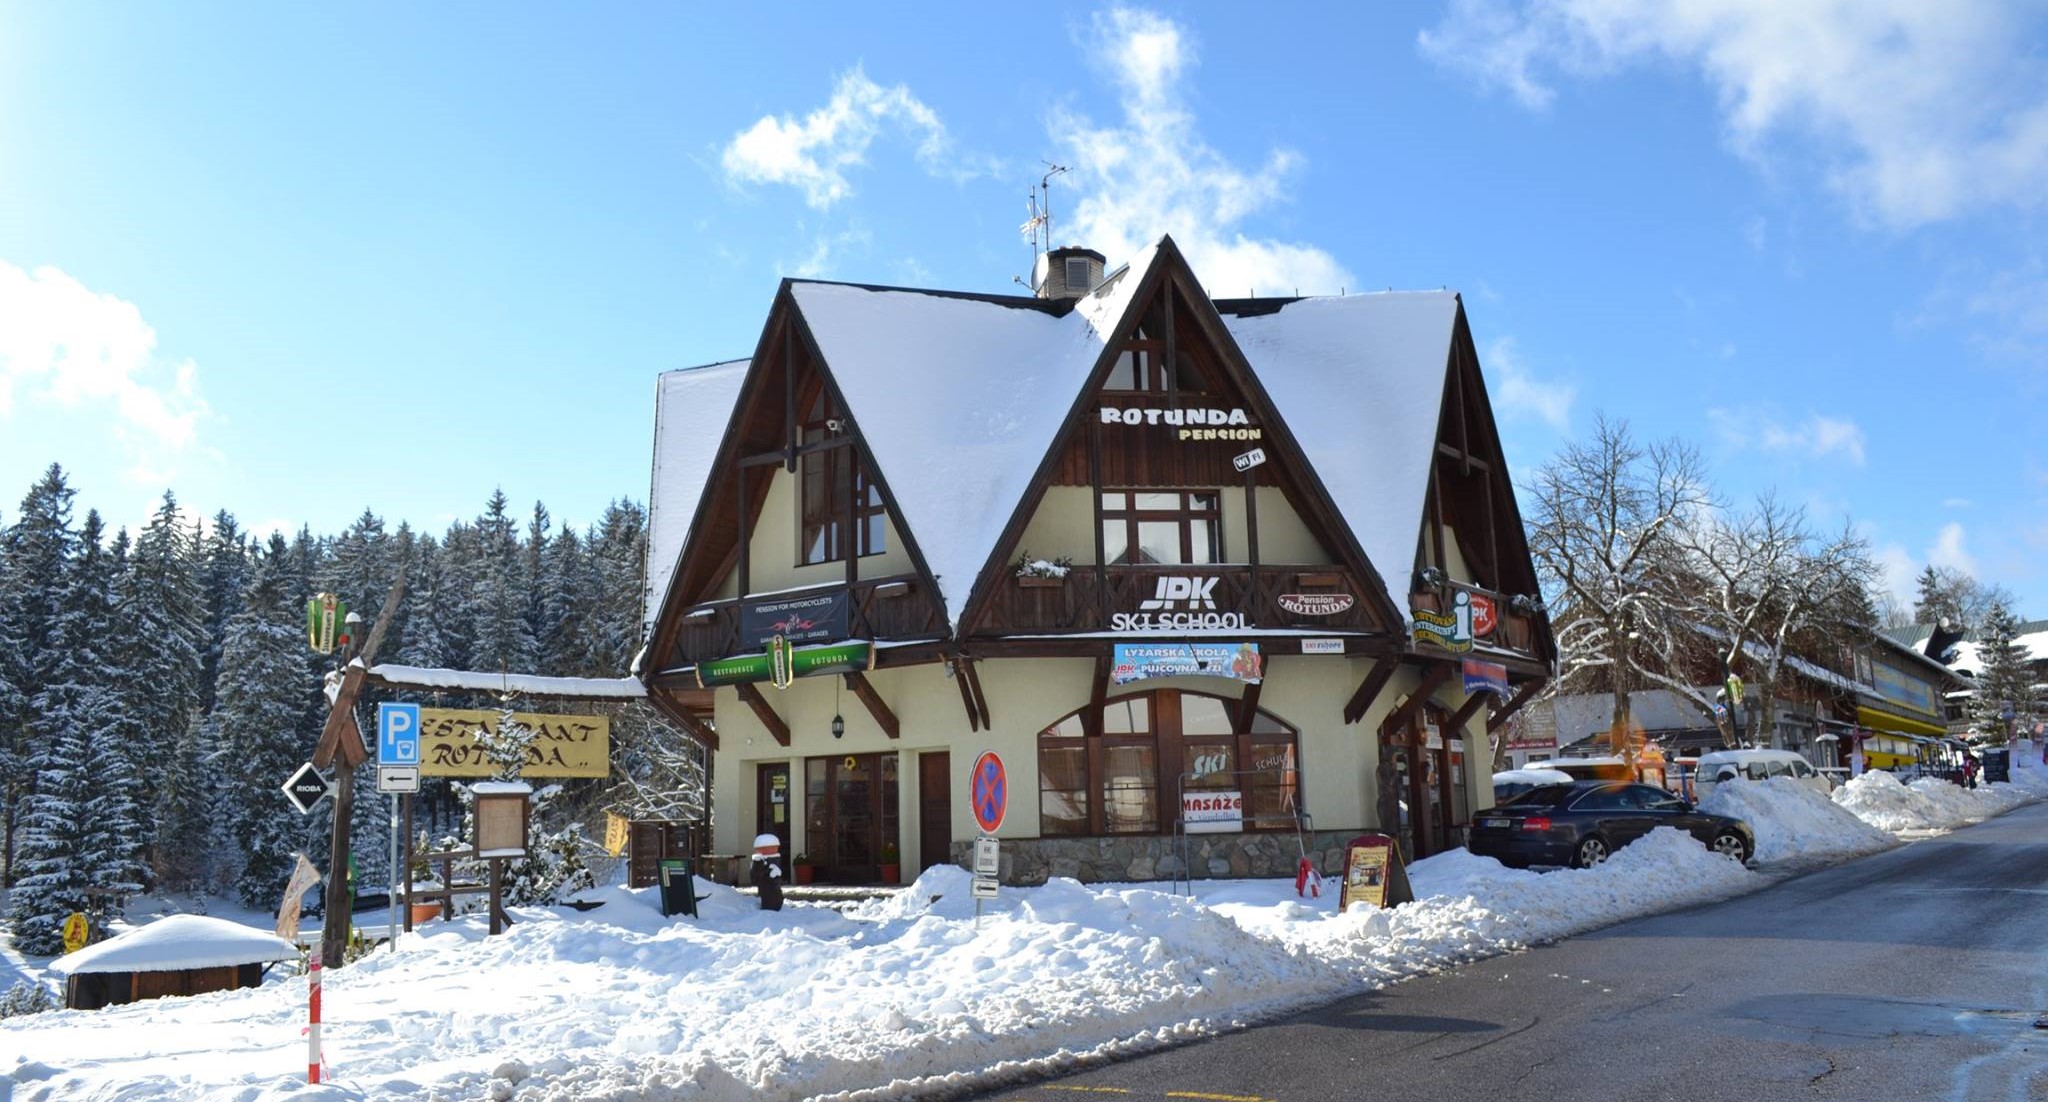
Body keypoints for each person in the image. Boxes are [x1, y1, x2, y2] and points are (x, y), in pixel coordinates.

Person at [749, 833, 785, 911]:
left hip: (774, 893)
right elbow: (755, 878)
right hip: (767, 893)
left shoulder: (773, 861)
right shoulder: (759, 861)